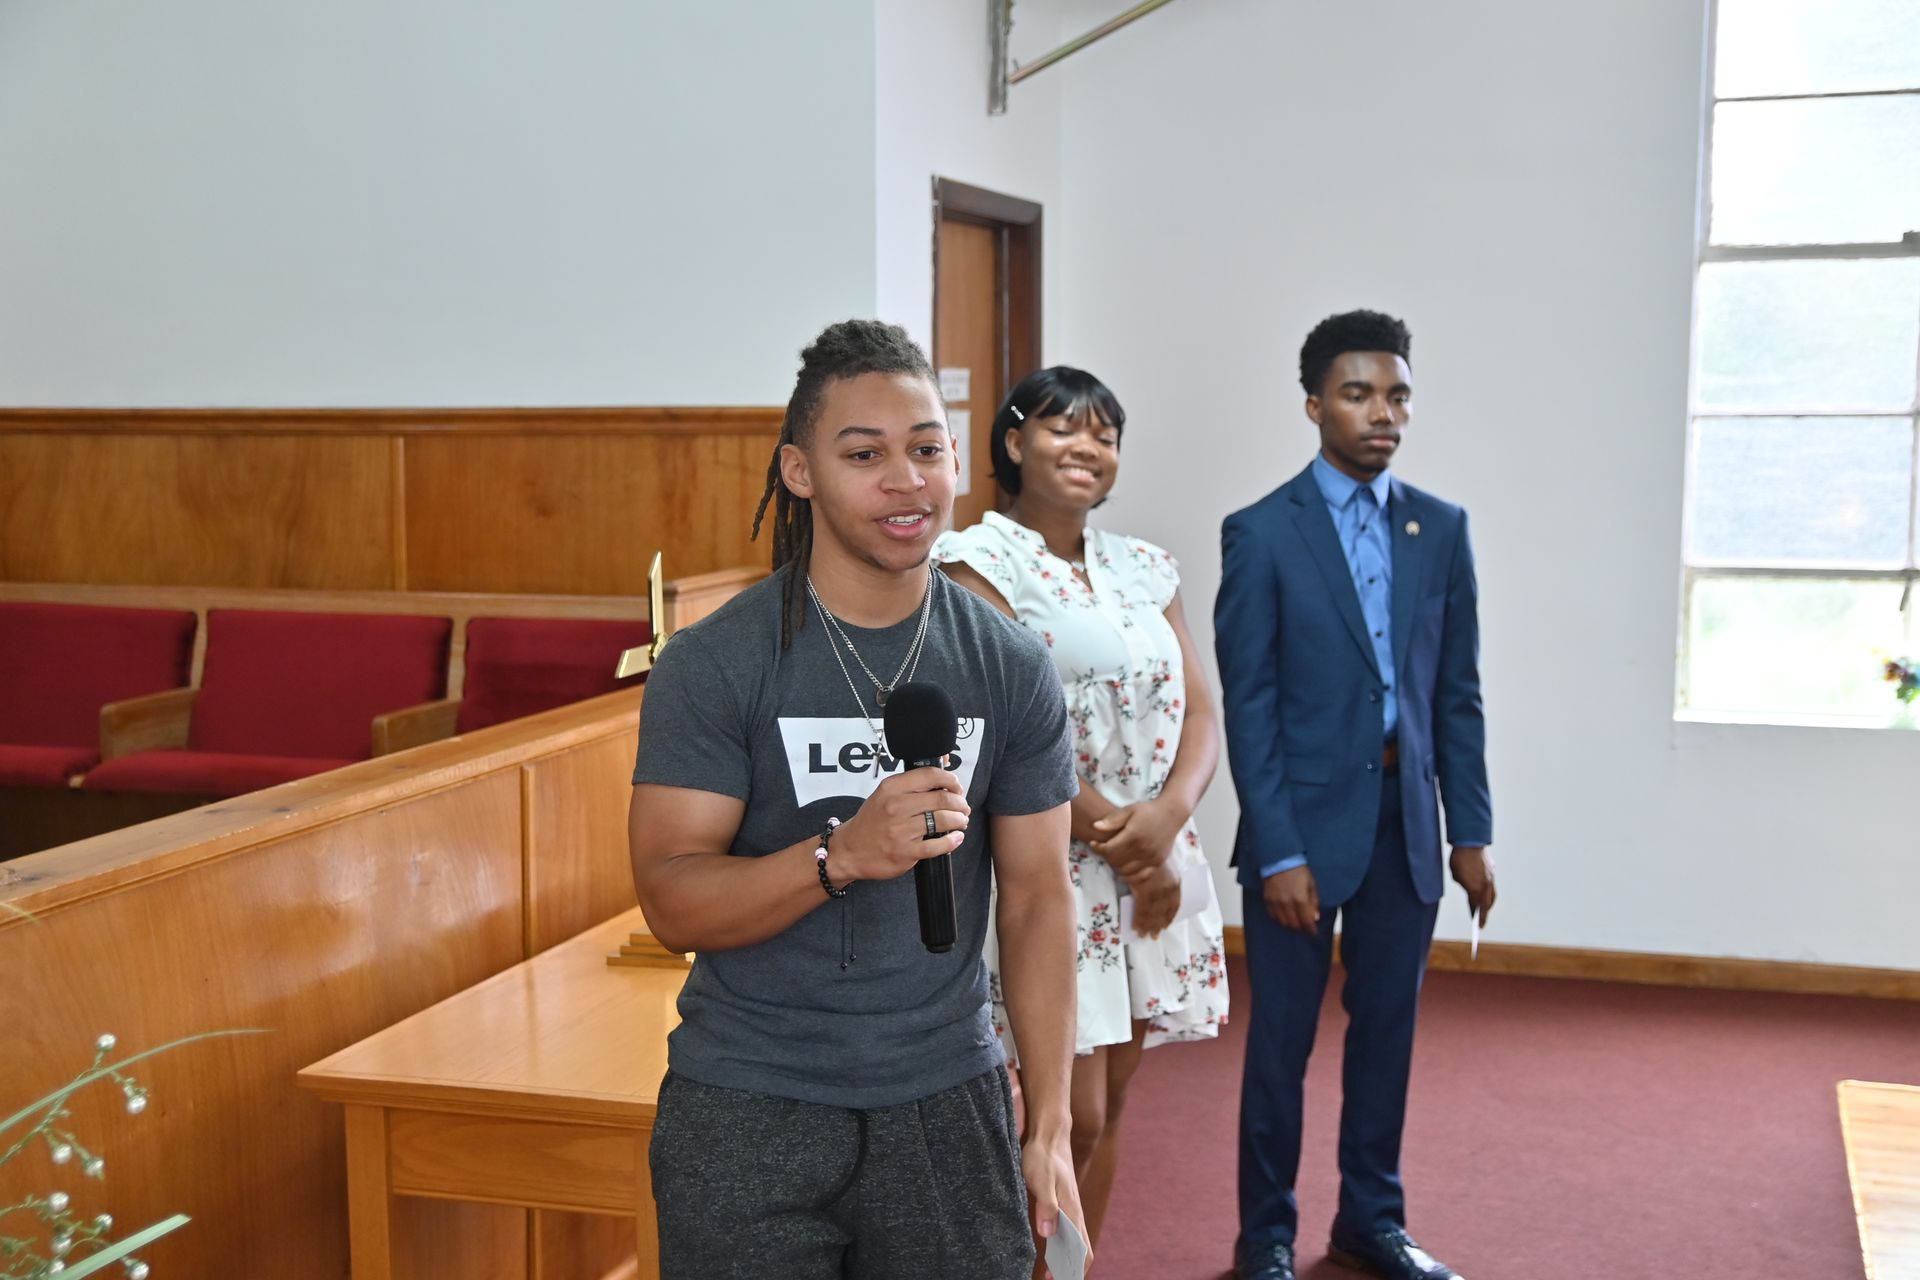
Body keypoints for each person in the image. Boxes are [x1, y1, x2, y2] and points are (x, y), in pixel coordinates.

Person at [627, 320, 1085, 1279]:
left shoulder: (1009, 665)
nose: (906, 481)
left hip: (947, 1093)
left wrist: (1050, 1123)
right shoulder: (717, 664)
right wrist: (840, 857)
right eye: (865, 455)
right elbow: (673, 899)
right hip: (749, 1097)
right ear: (799, 471)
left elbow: (1039, 897)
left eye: (926, 450)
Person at [1215, 310, 1496, 1280]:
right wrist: (1280, 848)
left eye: (1398, 395)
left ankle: (1371, 1220)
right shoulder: (1261, 532)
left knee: (1388, 1035)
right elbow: (1250, 705)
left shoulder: (1440, 528)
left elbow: (1455, 692)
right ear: (1313, 405)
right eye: (1359, 394)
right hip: (1298, 830)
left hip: (1405, 826)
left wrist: (1470, 831)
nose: (1384, 413)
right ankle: (1266, 1236)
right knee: (1280, 1045)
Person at [936, 366, 1228, 1249]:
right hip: (1052, 859)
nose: (1087, 446)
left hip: (1152, 854)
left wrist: (1166, 824)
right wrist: (1128, 840)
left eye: (1105, 433)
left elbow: (1202, 710)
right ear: (1013, 441)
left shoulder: (1146, 566)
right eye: (1063, 427)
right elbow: (1005, 730)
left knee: (1118, 1098)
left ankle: (1072, 1270)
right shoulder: (974, 561)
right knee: (1071, 1117)